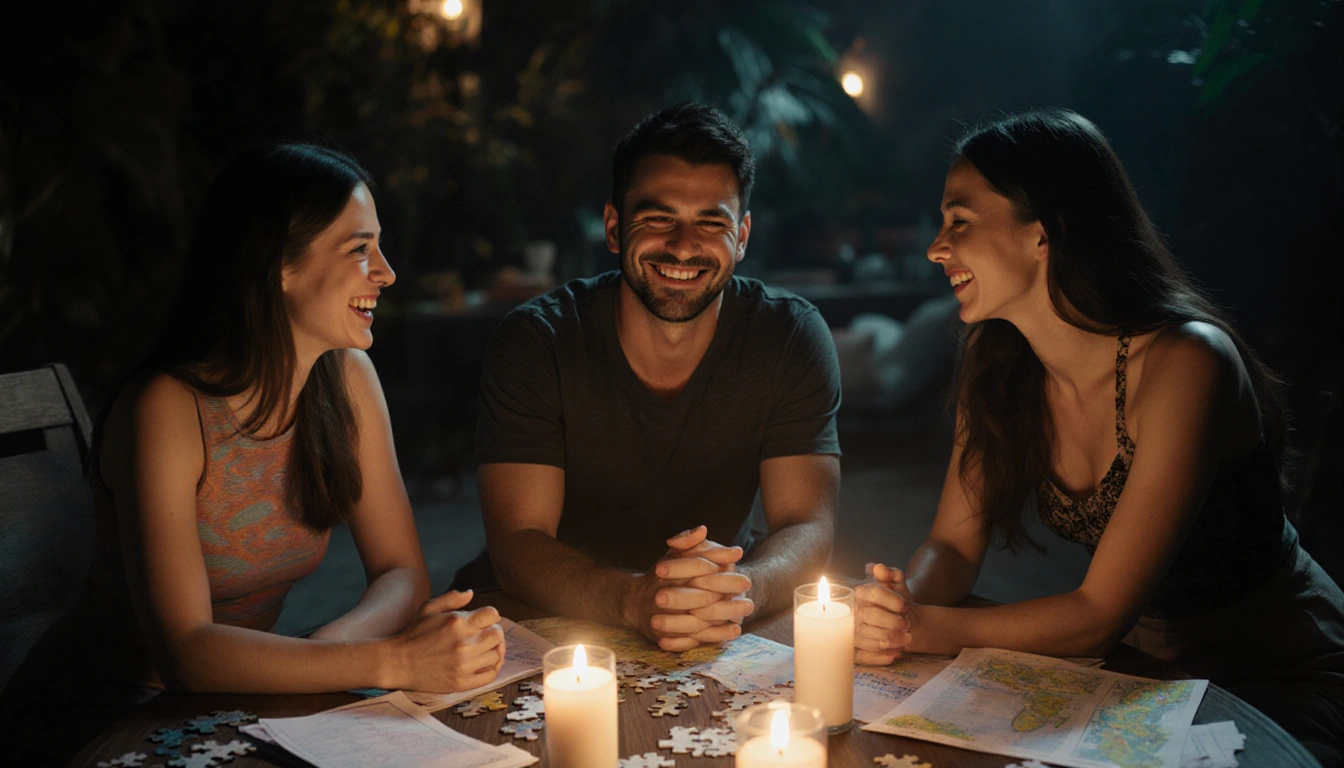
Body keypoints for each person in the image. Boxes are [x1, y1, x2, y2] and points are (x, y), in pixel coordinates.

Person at [852, 109, 1344, 764]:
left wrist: (927, 628)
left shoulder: (1185, 362)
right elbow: (951, 544)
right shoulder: (998, 366)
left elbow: (1099, 609)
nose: (936, 247)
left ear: (1044, 232)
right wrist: (899, 607)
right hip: (1134, 670)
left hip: (1273, 666)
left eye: (960, 221)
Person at [0, 144, 504, 762]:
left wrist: (324, 655)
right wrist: (390, 658)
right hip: (105, 717)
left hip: (239, 701)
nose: (387, 272)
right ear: (277, 268)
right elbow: (185, 651)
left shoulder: (345, 378)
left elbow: (402, 575)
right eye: (359, 250)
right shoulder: (165, 408)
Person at [469, 102, 842, 651]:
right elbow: (518, 542)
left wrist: (738, 591)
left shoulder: (788, 335)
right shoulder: (538, 341)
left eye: (710, 222)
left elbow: (807, 525)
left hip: (721, 619)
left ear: (741, 238)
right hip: (552, 623)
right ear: (615, 228)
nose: (684, 245)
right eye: (658, 218)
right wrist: (635, 599)